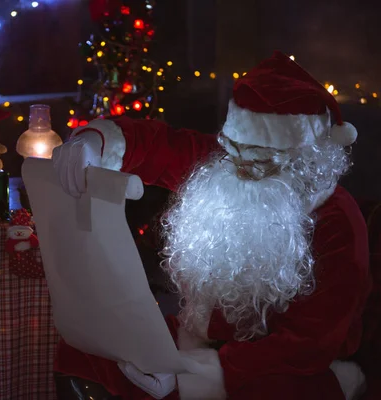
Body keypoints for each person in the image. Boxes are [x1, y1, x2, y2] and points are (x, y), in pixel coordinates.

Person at [51, 51, 372, 400]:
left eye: (263, 160)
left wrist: (192, 376)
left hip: (281, 366)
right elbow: (158, 145)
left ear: (306, 159)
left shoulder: (338, 222)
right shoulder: (225, 167)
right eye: (234, 149)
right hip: (206, 341)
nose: (242, 168)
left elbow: (309, 345)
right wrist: (94, 140)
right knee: (91, 352)